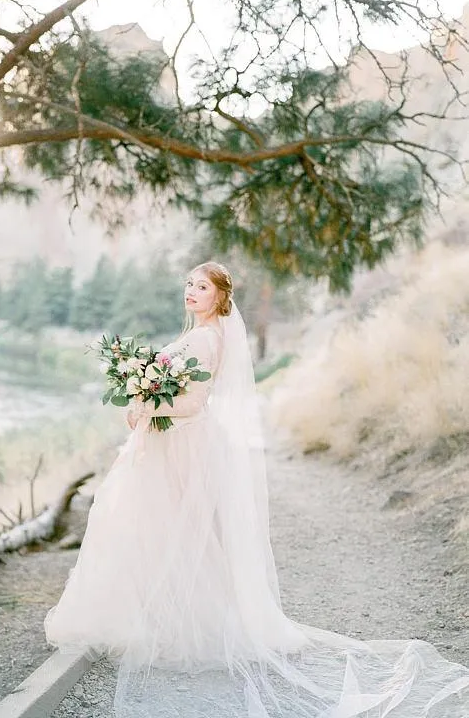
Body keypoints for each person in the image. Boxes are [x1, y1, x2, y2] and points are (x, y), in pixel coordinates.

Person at [45, 261, 469, 717]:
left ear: (220, 296)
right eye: (189, 283)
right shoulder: (208, 333)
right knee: (165, 530)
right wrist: (144, 394)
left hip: (180, 444)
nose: (191, 291)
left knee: (161, 528)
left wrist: (143, 402)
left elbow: (191, 400)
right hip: (175, 443)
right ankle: (159, 619)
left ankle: (173, 625)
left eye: (202, 286)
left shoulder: (206, 338)